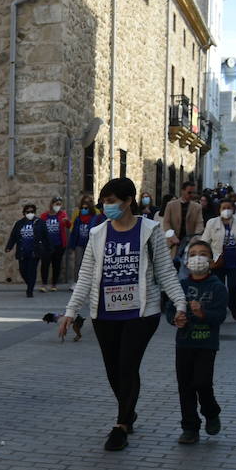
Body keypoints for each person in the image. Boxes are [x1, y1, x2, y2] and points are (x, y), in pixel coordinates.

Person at [59, 177, 187, 451]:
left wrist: (180, 303)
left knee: (128, 365)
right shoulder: (98, 234)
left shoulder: (150, 230)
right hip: (104, 313)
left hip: (141, 313)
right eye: (104, 203)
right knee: (113, 369)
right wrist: (70, 311)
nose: (108, 207)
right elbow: (85, 276)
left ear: (129, 201)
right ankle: (128, 411)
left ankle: (121, 424)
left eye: (112, 202)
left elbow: (165, 271)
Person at [176, 239, 228, 444]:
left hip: (207, 343)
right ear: (187, 260)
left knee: (202, 382)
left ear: (212, 260)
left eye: (203, 254)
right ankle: (190, 427)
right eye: (193, 254)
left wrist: (201, 313)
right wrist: (176, 318)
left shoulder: (217, 287)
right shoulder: (181, 285)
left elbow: (219, 316)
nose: (198, 258)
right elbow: (172, 310)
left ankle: (211, 411)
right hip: (184, 343)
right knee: (185, 385)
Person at [203, 199, 236, 320]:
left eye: (229, 207)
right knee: (219, 287)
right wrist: (207, 260)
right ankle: (220, 309)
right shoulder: (212, 223)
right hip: (218, 261)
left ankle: (233, 306)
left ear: (233, 209)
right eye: (223, 208)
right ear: (219, 210)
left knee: (235, 287)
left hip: (235, 261)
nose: (226, 210)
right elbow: (205, 242)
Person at [4, 203, 47, 297]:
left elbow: (45, 236)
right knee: (23, 270)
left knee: (32, 270)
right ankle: (30, 284)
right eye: (28, 212)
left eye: (32, 212)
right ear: (24, 213)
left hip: (34, 251)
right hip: (22, 251)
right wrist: (9, 247)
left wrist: (47, 248)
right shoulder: (19, 223)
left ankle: (30, 290)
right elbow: (13, 236)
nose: (30, 213)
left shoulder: (40, 222)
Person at [161, 181, 203, 264]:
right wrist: (172, 236)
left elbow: (199, 223)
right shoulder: (171, 205)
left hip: (190, 242)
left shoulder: (197, 207)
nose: (191, 195)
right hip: (173, 242)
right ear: (183, 191)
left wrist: (195, 237)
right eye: (189, 192)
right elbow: (166, 222)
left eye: (193, 192)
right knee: (172, 265)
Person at [67, 196, 103, 282]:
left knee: (90, 264)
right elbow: (74, 231)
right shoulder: (78, 218)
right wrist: (71, 246)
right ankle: (77, 281)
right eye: (82, 208)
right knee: (78, 263)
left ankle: (89, 281)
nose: (84, 209)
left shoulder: (95, 217)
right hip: (79, 244)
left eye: (86, 208)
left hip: (90, 243)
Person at [37, 196, 70, 291]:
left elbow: (69, 226)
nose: (58, 206)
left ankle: (54, 284)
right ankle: (44, 284)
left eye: (60, 204)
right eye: (56, 204)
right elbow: (40, 228)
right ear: (52, 204)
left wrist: (67, 221)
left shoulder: (62, 214)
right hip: (46, 245)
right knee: (45, 264)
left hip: (59, 244)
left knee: (57, 265)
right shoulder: (44, 216)